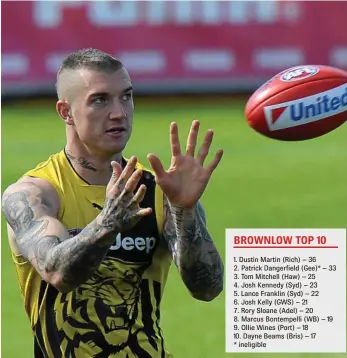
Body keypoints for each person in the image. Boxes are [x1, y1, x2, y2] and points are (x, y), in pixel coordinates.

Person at [2, 48, 224, 358]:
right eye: (100, 100)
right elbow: (57, 272)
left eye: (126, 97)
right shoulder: (34, 194)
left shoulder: (159, 192)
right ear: (65, 111)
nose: (119, 112)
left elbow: (207, 287)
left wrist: (183, 209)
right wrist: (108, 223)